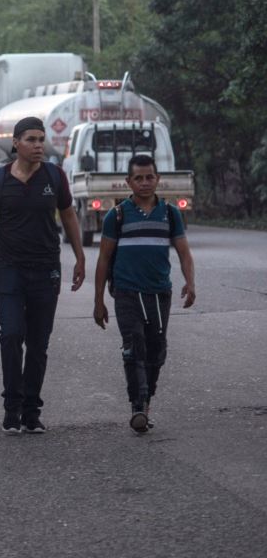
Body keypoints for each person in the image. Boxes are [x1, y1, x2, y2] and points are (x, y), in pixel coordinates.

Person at [0, 116, 85, 435]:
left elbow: (69, 216)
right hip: (9, 269)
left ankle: (32, 410)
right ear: (16, 143)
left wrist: (80, 257)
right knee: (12, 334)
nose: (38, 145)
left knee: (38, 342)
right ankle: (11, 406)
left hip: (46, 270)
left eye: (41, 139)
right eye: (31, 139)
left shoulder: (55, 176)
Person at [93, 154, 195, 434]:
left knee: (156, 350)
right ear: (128, 182)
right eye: (138, 178)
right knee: (134, 345)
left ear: (157, 179)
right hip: (126, 292)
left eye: (149, 176)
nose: (145, 182)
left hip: (159, 293)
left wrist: (190, 282)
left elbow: (184, 253)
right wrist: (98, 300)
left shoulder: (170, 213)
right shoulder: (118, 215)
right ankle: (137, 405)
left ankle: (146, 400)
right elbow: (103, 259)